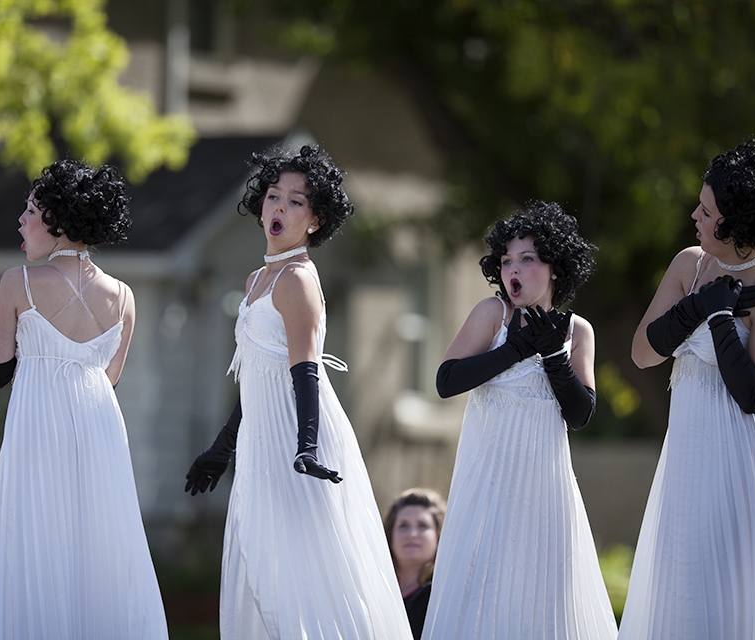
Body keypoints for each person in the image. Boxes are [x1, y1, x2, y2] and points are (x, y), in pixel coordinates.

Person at [184, 144, 413, 640]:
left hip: (297, 441)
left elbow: (304, 370)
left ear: (315, 219)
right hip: (262, 443)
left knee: (309, 571)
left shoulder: (297, 280)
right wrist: (220, 452)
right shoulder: (255, 280)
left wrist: (306, 446)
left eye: (295, 201)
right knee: (262, 565)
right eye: (272, 196)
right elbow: (256, 382)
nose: (279, 208)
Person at [0, 159, 168, 639]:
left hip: (38, 434)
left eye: (32, 209)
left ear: (60, 218)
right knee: (98, 546)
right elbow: (110, 378)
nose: (21, 218)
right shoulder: (123, 297)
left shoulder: (16, 283)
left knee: (37, 541)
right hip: (98, 437)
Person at [620, 140, 755, 639]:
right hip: (689, 447)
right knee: (680, 575)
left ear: (736, 224)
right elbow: (643, 353)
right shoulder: (688, 264)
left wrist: (720, 318)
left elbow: (752, 396)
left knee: (726, 578)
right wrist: (697, 306)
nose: (695, 215)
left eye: (707, 209)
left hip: (742, 455)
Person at [424, 201, 617, 640]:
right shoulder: (492, 314)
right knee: (481, 594)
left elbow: (580, 413)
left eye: (528, 259)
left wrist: (552, 355)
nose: (514, 268)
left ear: (555, 268)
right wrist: (514, 349)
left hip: (545, 489)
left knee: (543, 600)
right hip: (486, 484)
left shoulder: (577, 330)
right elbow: (446, 380)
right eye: (507, 259)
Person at [383, 488, 446, 640]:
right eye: (403, 525)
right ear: (390, 535)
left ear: (439, 536)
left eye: (422, 525)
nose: (412, 534)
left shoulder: (441, 597)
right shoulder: (371, 589)